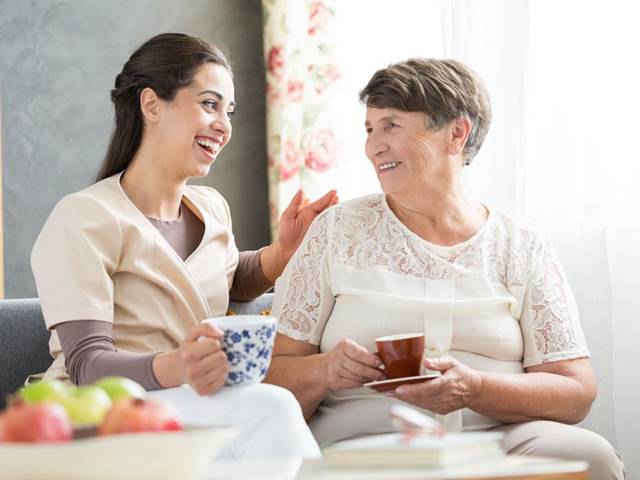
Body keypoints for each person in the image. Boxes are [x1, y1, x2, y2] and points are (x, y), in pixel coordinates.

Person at [265, 58, 625, 478]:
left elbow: (576, 391)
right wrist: (325, 371)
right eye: (370, 129)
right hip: (366, 440)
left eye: (392, 126)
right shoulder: (337, 229)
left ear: (456, 133)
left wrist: (474, 388)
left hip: (497, 437)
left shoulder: (522, 244)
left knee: (590, 457)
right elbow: (272, 377)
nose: (373, 146)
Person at [30, 33, 336, 460]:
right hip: (107, 412)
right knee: (272, 406)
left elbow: (222, 280)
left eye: (228, 111)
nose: (225, 126)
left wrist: (280, 255)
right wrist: (177, 366)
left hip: (194, 400)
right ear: (152, 104)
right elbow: (87, 365)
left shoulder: (211, 208)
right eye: (209, 104)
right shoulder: (84, 218)